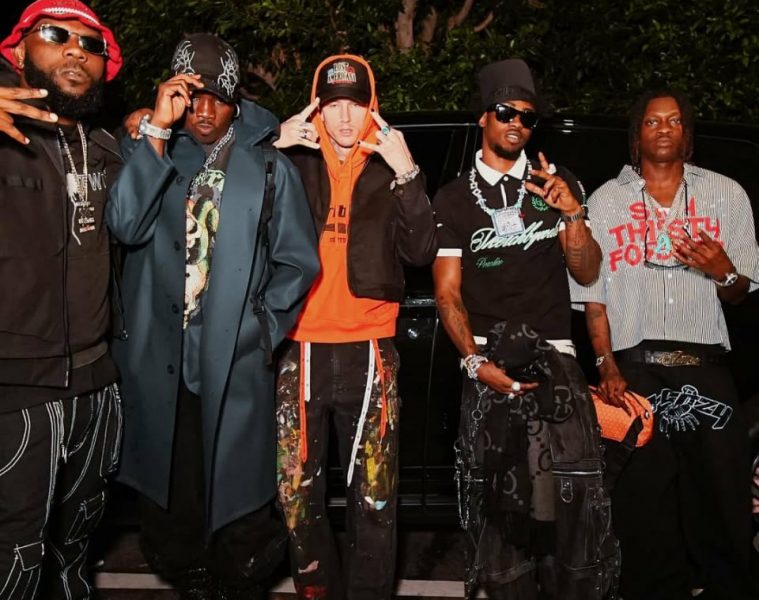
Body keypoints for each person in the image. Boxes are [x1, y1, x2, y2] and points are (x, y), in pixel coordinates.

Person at [106, 34, 319, 599]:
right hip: (160, 361)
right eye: (190, 96)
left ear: (236, 100)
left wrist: (263, 330)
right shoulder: (149, 149)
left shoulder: (269, 165)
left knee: (239, 504)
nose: (203, 111)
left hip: (235, 359)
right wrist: (155, 128)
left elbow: (297, 261)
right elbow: (124, 225)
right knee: (171, 498)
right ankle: (190, 579)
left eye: (217, 99)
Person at [432, 58, 618, 599]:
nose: (517, 123)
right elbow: (447, 293)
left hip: (557, 363)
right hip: (489, 364)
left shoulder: (557, 184)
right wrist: (474, 362)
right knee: (501, 516)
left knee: (572, 513)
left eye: (528, 117)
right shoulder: (453, 199)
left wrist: (572, 213)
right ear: (483, 117)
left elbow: (587, 270)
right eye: (506, 112)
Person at [571, 88, 759, 600]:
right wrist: (606, 364)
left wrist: (724, 271)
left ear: (687, 134)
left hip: (705, 369)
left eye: (674, 121)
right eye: (652, 121)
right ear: (637, 135)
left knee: (720, 504)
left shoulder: (727, 194)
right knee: (643, 510)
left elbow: (741, 290)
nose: (663, 129)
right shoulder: (606, 201)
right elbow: (593, 297)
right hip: (635, 373)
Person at [271, 54, 437, 600]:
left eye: (357, 105)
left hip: (369, 348)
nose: (345, 118)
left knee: (376, 498)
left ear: (373, 109)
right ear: (317, 109)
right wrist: (266, 149)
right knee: (297, 498)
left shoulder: (391, 170)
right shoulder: (291, 163)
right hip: (300, 347)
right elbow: (238, 218)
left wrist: (408, 173)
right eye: (333, 105)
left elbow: (421, 251)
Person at [0, 1, 124, 598]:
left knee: (74, 552)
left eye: (91, 44)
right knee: (15, 560)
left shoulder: (105, 145)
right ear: (19, 50)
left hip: (97, 384)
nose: (76, 49)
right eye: (56, 35)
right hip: (17, 389)